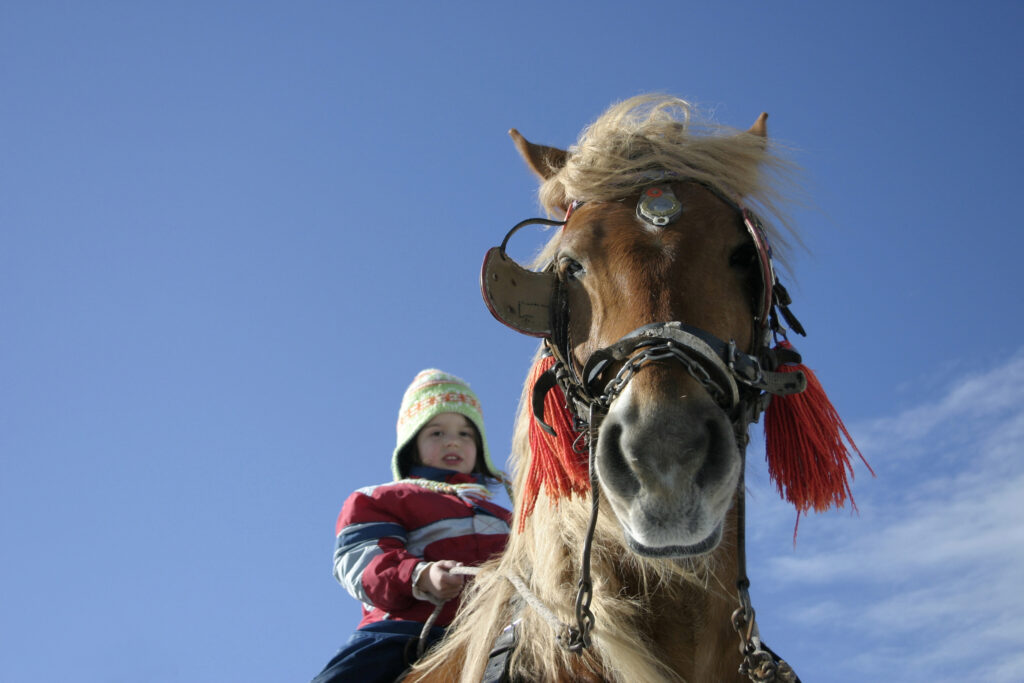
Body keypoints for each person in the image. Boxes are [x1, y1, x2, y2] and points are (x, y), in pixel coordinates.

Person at [311, 369, 512, 683]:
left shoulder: (506, 518)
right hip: (408, 630)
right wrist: (420, 575)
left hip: (497, 631)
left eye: (465, 434)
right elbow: (362, 560)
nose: (452, 442)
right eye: (436, 433)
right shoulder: (381, 498)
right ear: (411, 443)